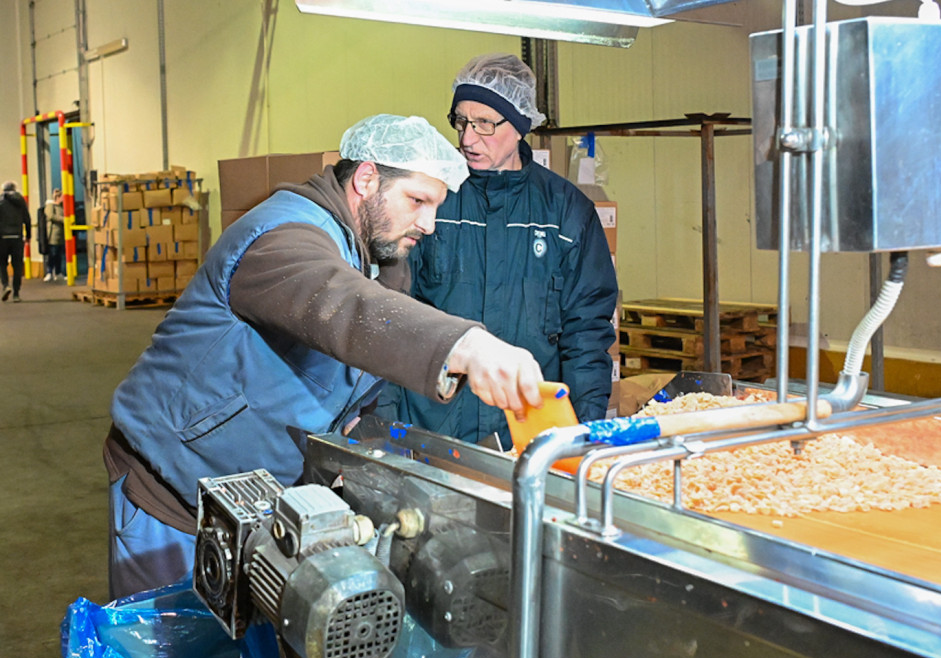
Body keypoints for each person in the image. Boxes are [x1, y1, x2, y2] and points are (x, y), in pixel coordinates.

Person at [104, 114, 546, 600]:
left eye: (435, 206)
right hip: (174, 491)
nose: (428, 224)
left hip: (255, 503)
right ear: (366, 178)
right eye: (417, 201)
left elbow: (361, 359)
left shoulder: (378, 258)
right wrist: (464, 344)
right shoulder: (283, 234)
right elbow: (341, 306)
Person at [378, 53, 619, 449]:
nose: (467, 138)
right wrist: (384, 429)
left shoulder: (566, 212)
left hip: (525, 435)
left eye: (485, 124)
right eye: (461, 121)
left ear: (520, 125)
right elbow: (389, 313)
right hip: (429, 430)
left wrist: (582, 437)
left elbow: (587, 336)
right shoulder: (433, 199)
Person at [0, 181, 31, 303]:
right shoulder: (21, 201)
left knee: (2, 263)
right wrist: (28, 235)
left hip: (2, 238)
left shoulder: (0, 201)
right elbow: (27, 219)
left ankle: (5, 285)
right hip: (17, 237)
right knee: (17, 265)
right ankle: (16, 293)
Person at [44, 188, 65, 282]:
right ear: (58, 197)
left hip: (61, 233)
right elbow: (51, 216)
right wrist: (64, 219)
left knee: (59, 254)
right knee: (53, 253)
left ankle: (58, 272)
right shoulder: (50, 206)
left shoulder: (61, 207)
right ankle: (49, 272)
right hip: (53, 233)